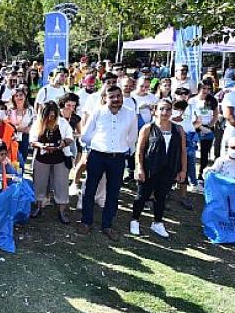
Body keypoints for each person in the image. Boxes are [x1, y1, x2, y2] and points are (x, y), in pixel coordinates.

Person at [77, 85, 138, 241]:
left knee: (113, 192)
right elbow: (85, 135)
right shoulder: (98, 112)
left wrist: (120, 147)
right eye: (112, 97)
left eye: (118, 96)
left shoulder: (130, 114)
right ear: (105, 98)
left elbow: (132, 137)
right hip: (97, 156)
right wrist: (98, 144)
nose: (116, 99)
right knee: (90, 189)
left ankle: (107, 225)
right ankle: (86, 222)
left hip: (118, 158)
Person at [131, 99, 186, 238]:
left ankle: (157, 222)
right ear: (155, 111)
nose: (165, 112)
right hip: (150, 168)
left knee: (161, 197)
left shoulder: (178, 129)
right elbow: (140, 150)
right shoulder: (148, 128)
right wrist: (139, 168)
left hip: (169, 169)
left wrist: (183, 170)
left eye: (168, 109)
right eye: (161, 109)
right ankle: (135, 220)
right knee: (142, 196)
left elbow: (183, 151)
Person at [29, 101, 74, 223]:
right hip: (42, 158)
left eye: (53, 115)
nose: (50, 118)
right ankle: (39, 206)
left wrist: (62, 144)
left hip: (59, 157)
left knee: (61, 184)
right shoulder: (37, 124)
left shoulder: (63, 123)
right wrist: (42, 146)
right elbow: (32, 141)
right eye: (48, 115)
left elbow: (70, 137)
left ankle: (62, 210)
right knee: (40, 182)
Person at [191, 82, 219, 182]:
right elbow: (190, 114)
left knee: (205, 152)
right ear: (199, 89)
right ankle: (190, 173)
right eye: (204, 88)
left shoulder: (212, 100)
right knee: (191, 151)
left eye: (208, 88)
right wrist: (199, 125)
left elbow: (216, 114)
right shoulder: (192, 100)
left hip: (208, 128)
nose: (206, 91)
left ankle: (201, 174)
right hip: (195, 127)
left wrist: (211, 125)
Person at [8, 88, 34, 171]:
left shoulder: (30, 109)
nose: (19, 97)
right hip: (12, 137)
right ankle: (14, 175)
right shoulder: (10, 110)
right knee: (14, 158)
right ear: (13, 98)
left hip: (25, 137)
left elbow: (33, 123)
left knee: (22, 159)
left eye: (21, 95)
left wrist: (23, 129)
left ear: (25, 97)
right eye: (16, 96)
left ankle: (20, 176)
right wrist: (16, 129)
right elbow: (7, 123)